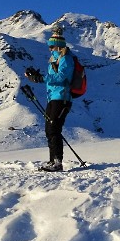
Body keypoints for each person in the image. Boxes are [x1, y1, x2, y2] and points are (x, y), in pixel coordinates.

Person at [36, 29, 74, 172]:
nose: (50, 48)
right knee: (49, 130)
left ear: (58, 46)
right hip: (52, 98)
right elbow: (52, 80)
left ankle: (58, 163)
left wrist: (41, 78)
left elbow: (61, 78)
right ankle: (53, 161)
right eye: (49, 46)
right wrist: (38, 76)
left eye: (52, 46)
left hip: (62, 98)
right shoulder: (53, 59)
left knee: (54, 129)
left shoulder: (66, 59)